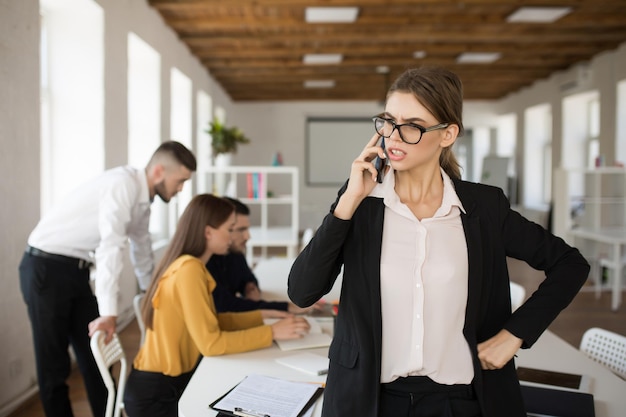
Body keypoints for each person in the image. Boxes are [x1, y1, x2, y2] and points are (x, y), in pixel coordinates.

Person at [287, 66, 590, 417]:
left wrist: (515, 334)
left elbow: (570, 264)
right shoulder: (362, 203)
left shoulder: (484, 208)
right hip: (368, 400)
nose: (394, 137)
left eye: (412, 126)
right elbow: (302, 291)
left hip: (462, 402)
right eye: (388, 121)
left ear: (447, 134)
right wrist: (348, 202)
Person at [18, 141, 196, 417]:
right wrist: (110, 314)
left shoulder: (142, 200)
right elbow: (110, 246)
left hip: (75, 271)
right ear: (159, 171)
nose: (181, 188)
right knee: (54, 366)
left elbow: (141, 248)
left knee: (94, 360)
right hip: (45, 268)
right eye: (181, 180)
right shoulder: (122, 185)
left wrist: (152, 293)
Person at [123, 194, 310, 417]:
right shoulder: (189, 270)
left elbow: (213, 321)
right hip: (157, 395)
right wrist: (270, 332)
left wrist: (261, 315)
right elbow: (210, 344)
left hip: (168, 384)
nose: (233, 237)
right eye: (230, 229)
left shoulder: (192, 266)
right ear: (208, 231)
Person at [206, 197, 316, 316]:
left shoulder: (232, 253)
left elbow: (248, 280)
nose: (248, 236)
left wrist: (249, 288)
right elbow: (225, 305)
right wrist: (284, 307)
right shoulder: (202, 263)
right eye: (239, 229)